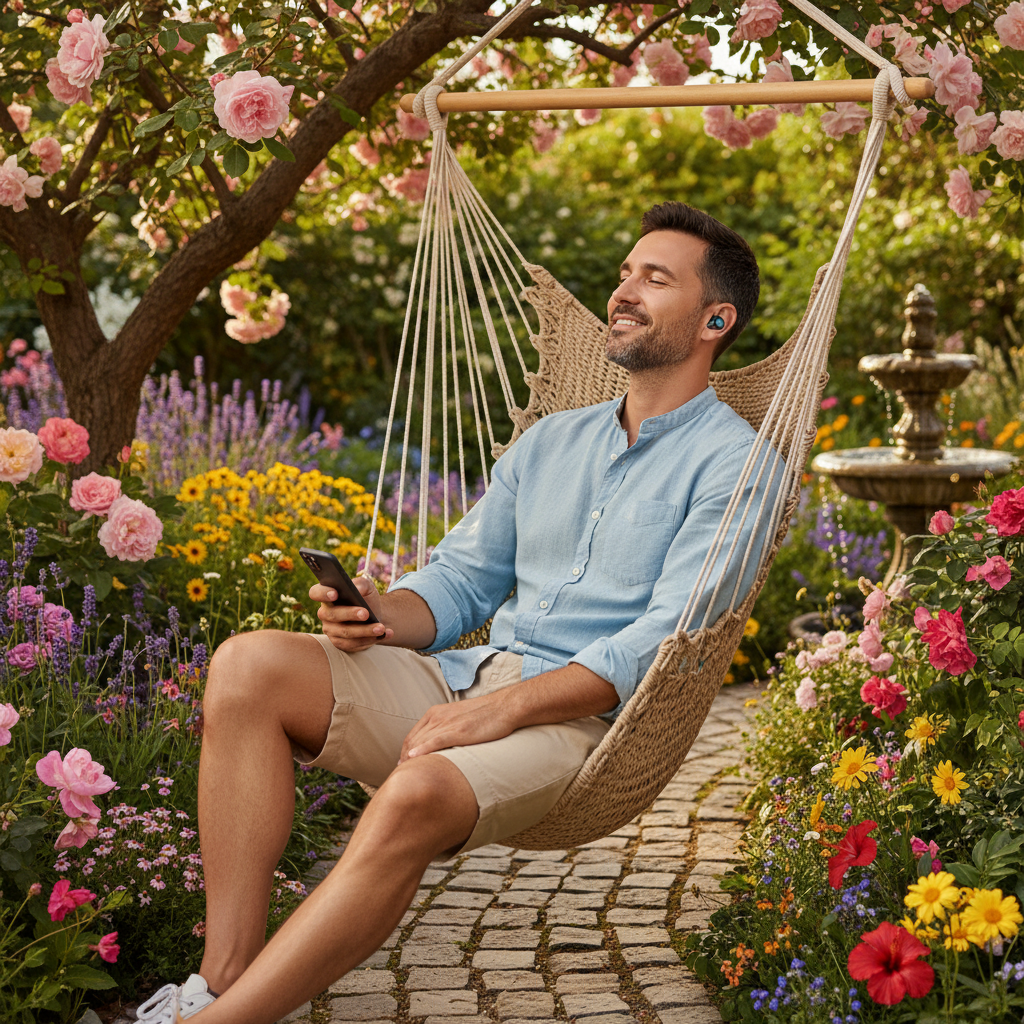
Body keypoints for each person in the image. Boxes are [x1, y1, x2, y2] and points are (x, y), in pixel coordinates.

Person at [137, 201, 779, 1024]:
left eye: (656, 279)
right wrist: (378, 611)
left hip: (581, 724)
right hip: (466, 683)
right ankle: (218, 979)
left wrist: (501, 711)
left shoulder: (737, 466)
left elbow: (662, 642)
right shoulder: (552, 442)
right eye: (625, 272)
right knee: (247, 666)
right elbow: (462, 581)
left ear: (714, 319)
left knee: (410, 796)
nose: (623, 291)